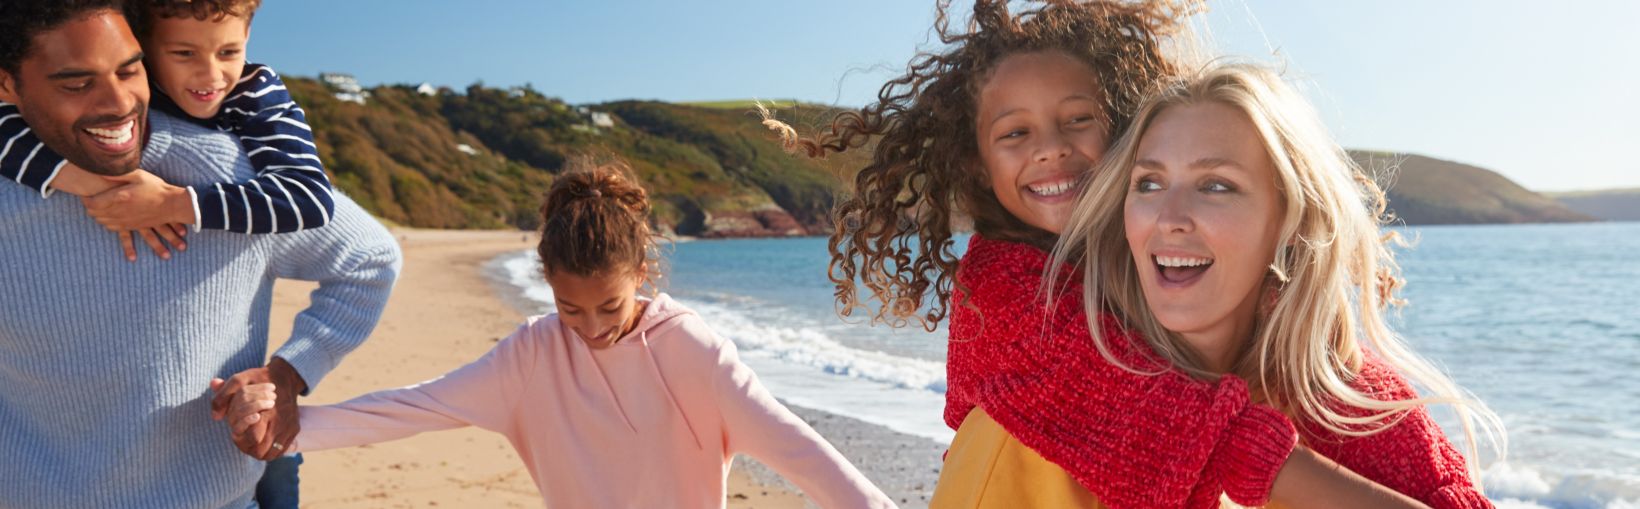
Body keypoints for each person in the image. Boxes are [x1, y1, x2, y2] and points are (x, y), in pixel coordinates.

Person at [765, 1, 1488, 507]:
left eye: (1215, 183)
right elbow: (1160, 419)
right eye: (1153, 182)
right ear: (976, 167)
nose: (1050, 147)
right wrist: (1279, 462)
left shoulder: (1280, 342)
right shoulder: (1011, 295)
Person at [220, 160, 898, 508]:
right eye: (572, 309)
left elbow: (799, 450)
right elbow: (411, 408)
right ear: (547, 281)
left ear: (641, 270)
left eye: (609, 304)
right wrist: (287, 426)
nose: (594, 328)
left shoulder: (692, 350)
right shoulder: (532, 355)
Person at [0, 2, 400, 507]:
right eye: (76, 84)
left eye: (131, 69)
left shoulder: (222, 172)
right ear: (7, 86)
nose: (119, 103)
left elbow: (369, 259)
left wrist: (290, 373)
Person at [1050, 62, 1502, 507]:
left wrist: (1263, 460)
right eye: (1148, 183)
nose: (1169, 219)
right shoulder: (1053, 388)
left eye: (1216, 186)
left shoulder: (1357, 409)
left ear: (1289, 219)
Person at [0, 0, 333, 262]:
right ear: (142, 44)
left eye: (229, 52)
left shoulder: (256, 92)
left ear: (246, 37)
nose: (211, 74)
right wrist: (85, 179)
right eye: (184, 54)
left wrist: (170, 204)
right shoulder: (131, 76)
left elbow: (309, 198)